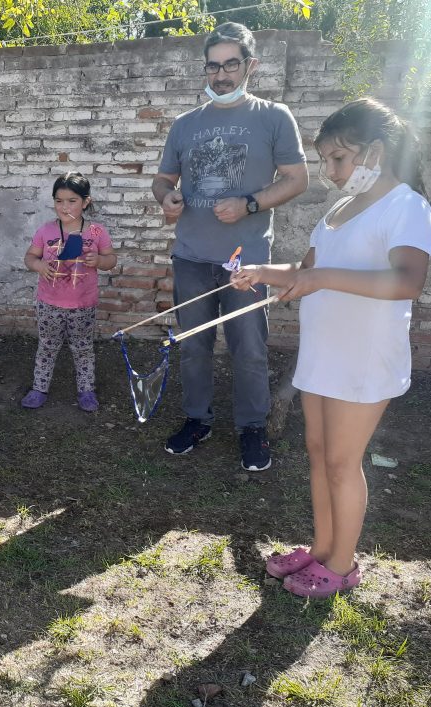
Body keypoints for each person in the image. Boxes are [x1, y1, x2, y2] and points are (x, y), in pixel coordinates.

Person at [231, 98, 431, 597]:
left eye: (338, 158)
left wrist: (320, 277)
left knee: (344, 462)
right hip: (323, 352)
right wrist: (261, 272)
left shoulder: (407, 206)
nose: (330, 171)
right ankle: (322, 549)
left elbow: (407, 281)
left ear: (376, 152)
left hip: (365, 357)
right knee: (318, 452)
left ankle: (342, 566)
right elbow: (305, 272)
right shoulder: (341, 210)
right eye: (326, 160)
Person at [151, 22, 309, 471]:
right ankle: (196, 420)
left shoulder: (273, 117)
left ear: (250, 66)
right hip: (191, 257)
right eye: (213, 66)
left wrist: (250, 203)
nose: (221, 75)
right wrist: (168, 197)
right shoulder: (186, 124)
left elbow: (298, 179)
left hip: (248, 261)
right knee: (194, 345)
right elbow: (163, 178)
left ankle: (252, 428)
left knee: (250, 348)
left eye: (231, 64)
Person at [20, 172, 116, 411]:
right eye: (59, 200)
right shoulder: (46, 231)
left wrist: (100, 261)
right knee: (47, 346)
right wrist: (40, 265)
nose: (64, 206)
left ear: (86, 201)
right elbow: (30, 257)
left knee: (83, 348)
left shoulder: (95, 232)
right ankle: (39, 388)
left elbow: (111, 259)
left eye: (72, 200)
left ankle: (86, 391)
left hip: (83, 304)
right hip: (49, 303)